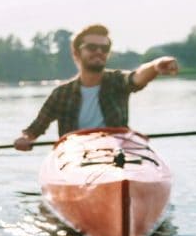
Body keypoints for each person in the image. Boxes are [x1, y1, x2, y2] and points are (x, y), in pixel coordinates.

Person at [14, 24, 179, 151]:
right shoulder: (61, 94)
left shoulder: (117, 81)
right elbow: (34, 129)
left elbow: (137, 77)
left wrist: (156, 66)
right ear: (76, 53)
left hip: (117, 152)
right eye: (92, 47)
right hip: (75, 156)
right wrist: (25, 139)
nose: (99, 51)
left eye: (104, 48)